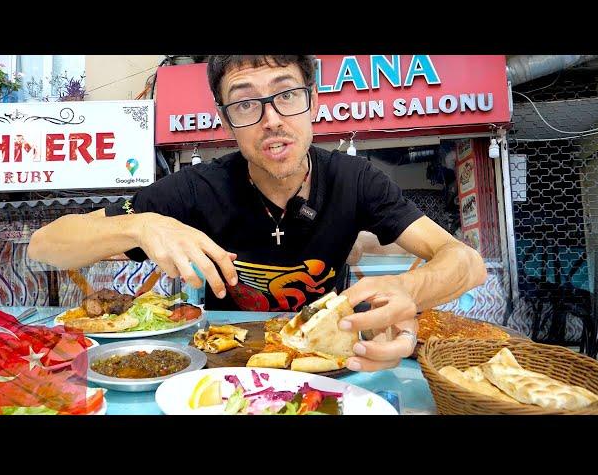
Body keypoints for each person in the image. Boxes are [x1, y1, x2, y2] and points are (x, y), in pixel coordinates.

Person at [28, 55, 487, 372]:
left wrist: (408, 291)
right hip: (221, 370)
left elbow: (465, 261)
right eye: (245, 102)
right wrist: (142, 223)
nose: (271, 119)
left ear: (313, 101)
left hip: (330, 366)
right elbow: (45, 245)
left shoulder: (357, 180)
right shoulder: (197, 187)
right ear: (226, 121)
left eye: (286, 95)